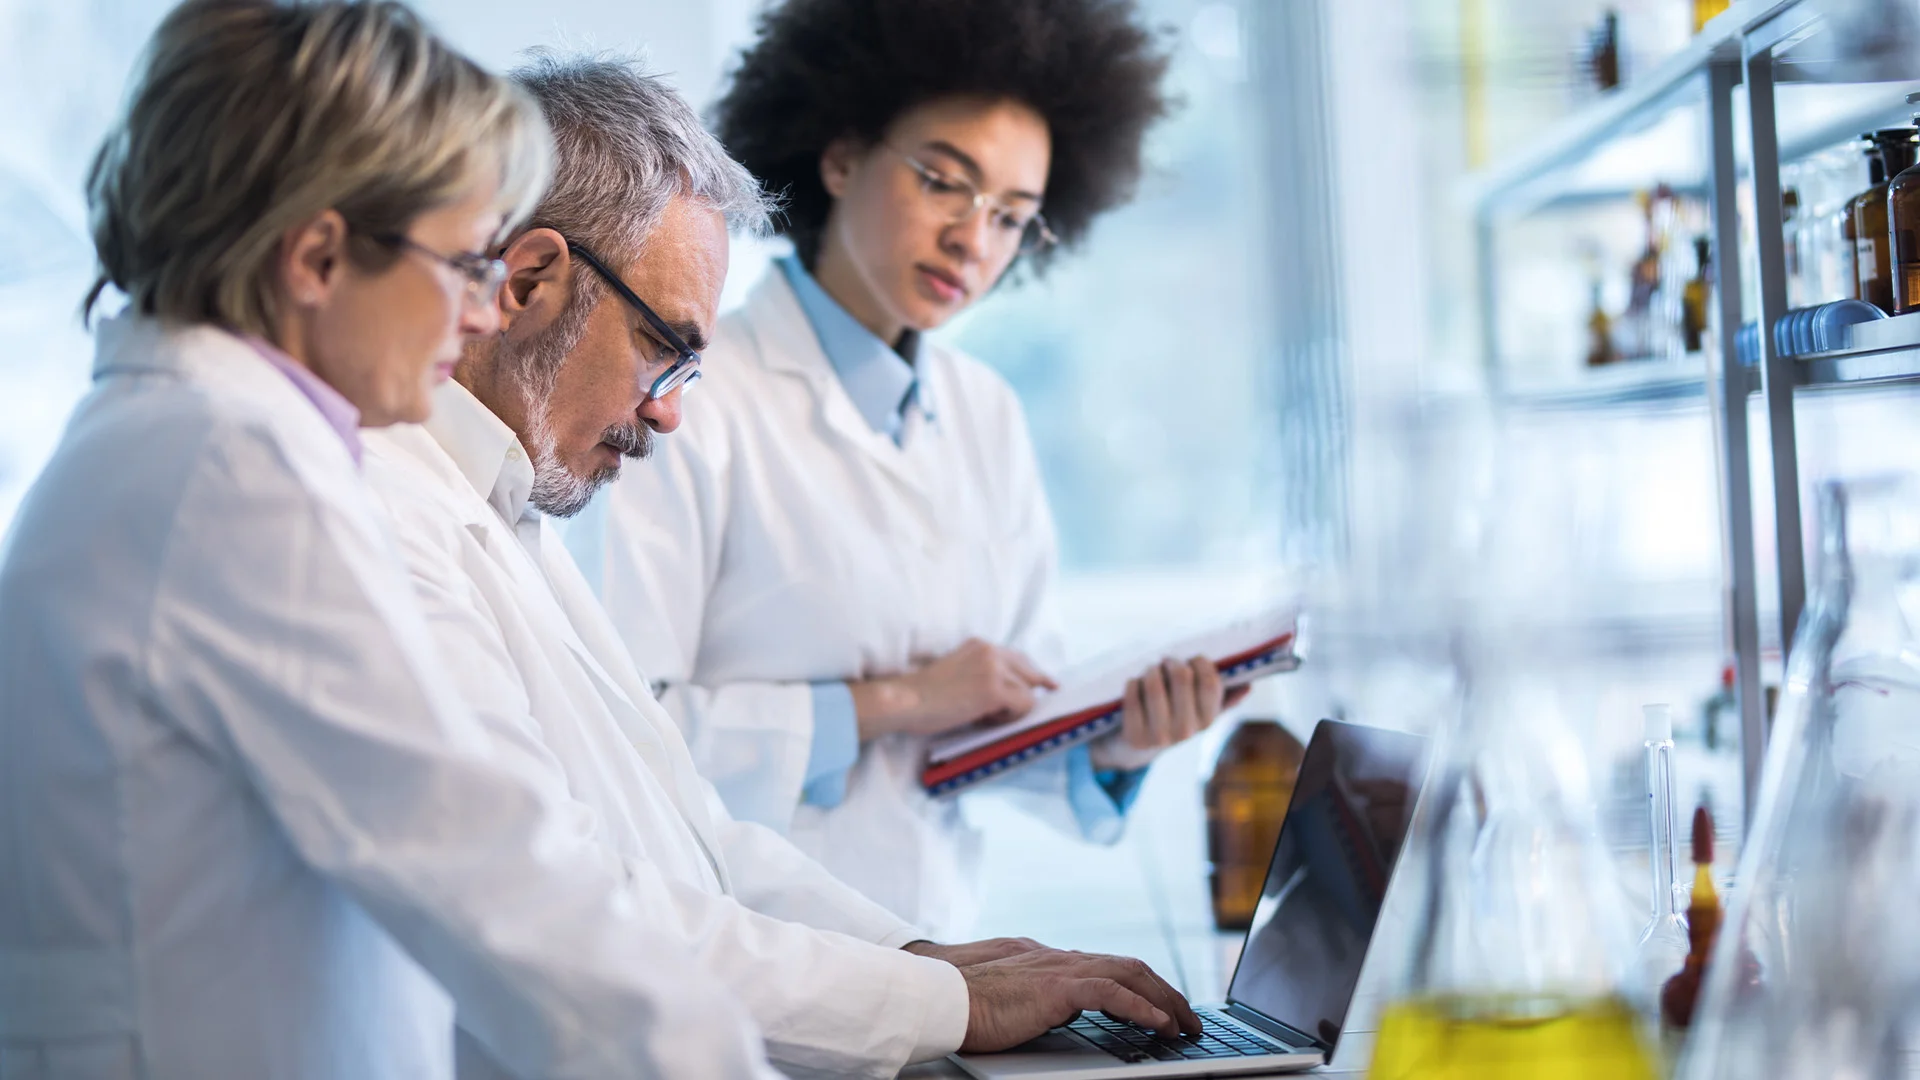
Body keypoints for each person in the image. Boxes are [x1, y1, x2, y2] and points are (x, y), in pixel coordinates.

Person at [358, 53, 1203, 1080]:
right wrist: (936, 991)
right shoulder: (402, 510)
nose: (671, 410)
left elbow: (693, 836)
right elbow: (555, 896)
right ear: (529, 282)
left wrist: (925, 962)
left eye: (1013, 215)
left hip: (832, 978)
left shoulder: (508, 502)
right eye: (664, 348)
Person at [0, 3, 779, 1077]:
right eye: (461, 262)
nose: (483, 312)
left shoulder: (177, 440)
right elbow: (498, 878)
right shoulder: (232, 474)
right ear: (318, 258)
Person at [582, 0, 1243, 937]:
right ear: (842, 157)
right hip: (741, 962)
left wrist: (1116, 743)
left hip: (939, 961)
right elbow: (620, 735)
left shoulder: (987, 416)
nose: (975, 240)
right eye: (944, 182)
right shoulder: (686, 396)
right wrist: (894, 704)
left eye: (1012, 217)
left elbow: (998, 722)